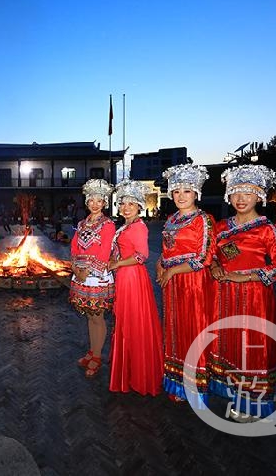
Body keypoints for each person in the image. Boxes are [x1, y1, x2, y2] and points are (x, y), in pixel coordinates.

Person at [210, 165, 276, 422]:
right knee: (230, 343)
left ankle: (252, 402)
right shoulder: (221, 227)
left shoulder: (267, 229)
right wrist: (215, 266)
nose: (241, 198)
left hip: (254, 297)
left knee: (251, 346)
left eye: (248, 193)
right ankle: (233, 391)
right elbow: (212, 254)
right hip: (225, 295)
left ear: (259, 196)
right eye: (236, 193)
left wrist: (245, 276)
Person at [156, 164, 215, 407]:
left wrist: (172, 269)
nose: (181, 196)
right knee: (175, 329)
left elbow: (204, 257)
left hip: (194, 283)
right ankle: (177, 382)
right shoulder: (171, 220)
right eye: (177, 191)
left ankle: (195, 387)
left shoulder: (203, 220)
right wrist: (160, 263)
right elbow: (166, 250)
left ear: (196, 193)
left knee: (194, 329)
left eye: (187, 191)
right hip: (172, 284)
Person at [107, 181, 163, 395]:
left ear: (139, 206)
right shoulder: (127, 226)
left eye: (131, 204)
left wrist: (117, 264)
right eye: (123, 203)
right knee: (125, 321)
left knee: (132, 323)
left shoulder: (139, 227)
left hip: (132, 278)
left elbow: (142, 256)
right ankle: (129, 371)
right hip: (125, 276)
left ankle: (138, 374)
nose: (126, 207)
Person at [70, 179, 116, 378]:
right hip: (80, 274)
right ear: (87, 202)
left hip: (97, 276)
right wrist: (75, 266)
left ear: (104, 202)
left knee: (97, 316)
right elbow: (74, 247)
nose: (95, 204)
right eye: (91, 200)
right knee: (89, 315)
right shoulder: (81, 224)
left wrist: (87, 271)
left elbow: (105, 252)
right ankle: (92, 351)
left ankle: (97, 356)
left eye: (99, 200)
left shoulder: (108, 225)